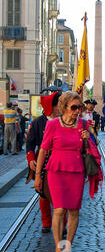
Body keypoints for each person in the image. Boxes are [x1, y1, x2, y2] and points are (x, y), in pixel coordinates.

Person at [34, 91, 101, 252]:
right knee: (58, 210)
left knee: (73, 210)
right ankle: (58, 248)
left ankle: (68, 246)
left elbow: (93, 150)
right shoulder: (53, 125)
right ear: (64, 107)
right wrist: (37, 176)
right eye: (73, 107)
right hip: (56, 171)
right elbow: (42, 149)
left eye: (79, 107)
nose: (77, 111)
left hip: (76, 171)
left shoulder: (84, 125)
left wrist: (88, 139)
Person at [26, 92, 67, 234]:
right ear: (51, 106)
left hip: (61, 160)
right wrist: (31, 158)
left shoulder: (65, 120)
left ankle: (63, 222)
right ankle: (46, 222)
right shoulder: (38, 122)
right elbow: (30, 143)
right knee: (43, 193)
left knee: (63, 192)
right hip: (43, 160)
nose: (60, 108)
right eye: (57, 105)